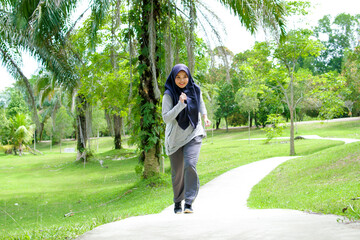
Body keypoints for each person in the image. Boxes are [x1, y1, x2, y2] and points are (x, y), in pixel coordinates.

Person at [162, 64, 211, 214]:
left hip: (193, 133)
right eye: (178, 77)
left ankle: (189, 202)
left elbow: (200, 102)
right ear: (173, 78)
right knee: (177, 173)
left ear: (189, 77)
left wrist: (205, 116)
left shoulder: (195, 89)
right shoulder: (169, 94)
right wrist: (180, 104)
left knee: (190, 164)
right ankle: (178, 201)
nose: (182, 80)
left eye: (185, 77)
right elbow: (166, 117)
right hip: (175, 138)